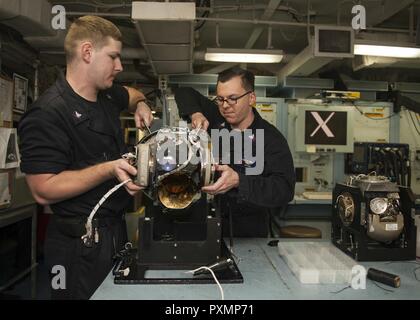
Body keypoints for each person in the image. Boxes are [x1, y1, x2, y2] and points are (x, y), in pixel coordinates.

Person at [18, 16, 153, 299]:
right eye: (114, 57)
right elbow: (44, 189)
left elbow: (132, 94)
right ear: (88, 52)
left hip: (115, 233)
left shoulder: (107, 95)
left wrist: (141, 104)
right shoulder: (48, 114)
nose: (120, 66)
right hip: (78, 247)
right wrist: (108, 169)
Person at [174, 67, 295, 237]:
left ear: (251, 98)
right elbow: (183, 92)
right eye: (220, 99)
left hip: (249, 232)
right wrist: (196, 113)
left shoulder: (271, 139)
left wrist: (240, 181)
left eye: (232, 99)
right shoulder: (217, 118)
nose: (225, 106)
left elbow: (284, 190)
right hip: (211, 224)